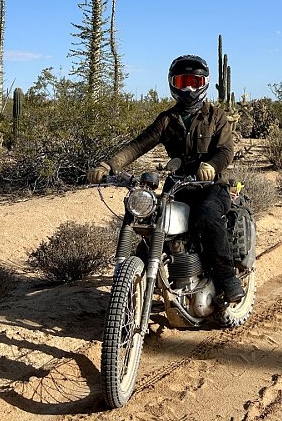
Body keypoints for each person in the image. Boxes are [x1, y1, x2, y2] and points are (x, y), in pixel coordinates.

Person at [88, 54, 245, 304]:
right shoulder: (167, 120)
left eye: (195, 81)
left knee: (206, 216)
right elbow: (138, 145)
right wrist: (109, 165)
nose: (190, 88)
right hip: (179, 186)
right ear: (174, 84)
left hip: (212, 186)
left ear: (204, 83)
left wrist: (212, 166)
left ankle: (227, 279)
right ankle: (136, 283)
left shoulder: (217, 116)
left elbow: (226, 150)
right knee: (152, 222)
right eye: (184, 82)